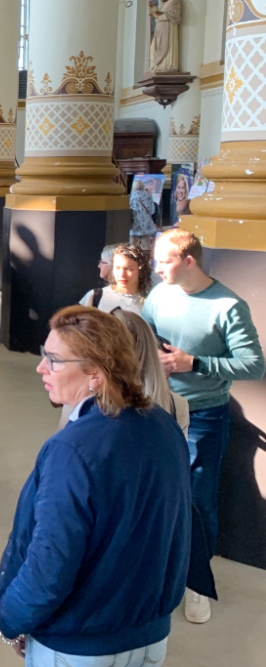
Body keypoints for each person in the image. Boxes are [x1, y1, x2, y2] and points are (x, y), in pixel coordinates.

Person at [0, 306, 191, 665]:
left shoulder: (72, 449)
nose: (41, 368)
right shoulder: (164, 426)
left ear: (96, 374)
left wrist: (10, 620)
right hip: (149, 636)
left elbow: (51, 560)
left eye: (53, 360)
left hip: (80, 643)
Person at [143, 228, 265, 623]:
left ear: (188, 260)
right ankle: (160, 569)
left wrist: (194, 362)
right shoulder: (159, 295)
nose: (156, 268)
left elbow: (254, 364)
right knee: (154, 491)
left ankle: (197, 584)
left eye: (164, 261)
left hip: (204, 414)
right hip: (156, 406)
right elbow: (142, 339)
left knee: (198, 498)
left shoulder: (228, 305)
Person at [79, 244, 151, 314]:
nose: (122, 274)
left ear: (141, 270)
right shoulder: (95, 297)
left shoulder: (150, 301)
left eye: (129, 269)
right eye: (117, 268)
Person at [130, 178, 157, 250]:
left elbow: (129, 211)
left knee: (131, 246)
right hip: (146, 224)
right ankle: (146, 260)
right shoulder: (148, 196)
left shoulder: (130, 197)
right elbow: (152, 211)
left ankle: (132, 259)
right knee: (146, 245)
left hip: (134, 224)